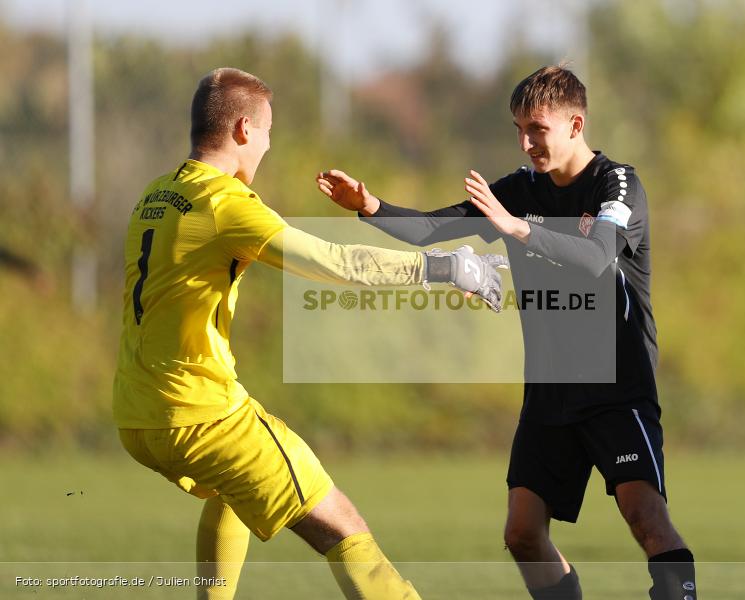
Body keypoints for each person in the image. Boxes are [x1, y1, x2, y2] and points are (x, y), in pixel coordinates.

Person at [113, 67, 507, 600]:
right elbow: (334, 261)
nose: (270, 144)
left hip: (137, 415)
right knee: (342, 523)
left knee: (233, 491)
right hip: (201, 415)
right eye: (269, 131)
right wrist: (442, 269)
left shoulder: (156, 194)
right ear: (244, 131)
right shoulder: (225, 204)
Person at [317, 65, 697, 600]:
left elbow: (595, 256)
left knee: (645, 519)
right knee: (521, 533)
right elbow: (434, 227)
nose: (525, 142)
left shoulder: (617, 183)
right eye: (518, 129)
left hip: (617, 387)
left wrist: (516, 226)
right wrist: (370, 207)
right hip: (549, 389)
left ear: (574, 123)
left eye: (536, 129)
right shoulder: (519, 189)